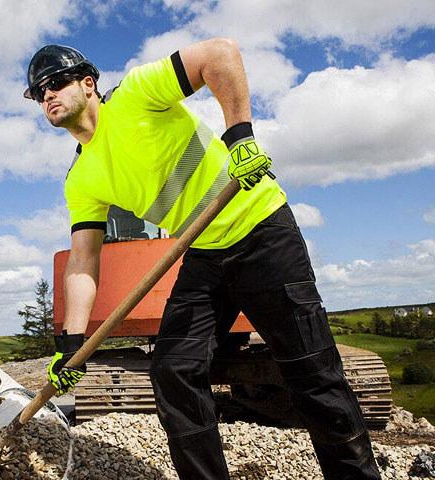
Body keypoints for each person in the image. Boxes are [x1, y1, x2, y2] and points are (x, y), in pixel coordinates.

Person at [24, 39, 382, 480]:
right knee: (173, 370)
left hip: (261, 229)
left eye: (57, 82)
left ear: (87, 83)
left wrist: (241, 138)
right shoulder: (81, 179)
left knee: (312, 373)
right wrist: (70, 344)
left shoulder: (136, 94)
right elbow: (83, 260)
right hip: (204, 253)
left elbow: (220, 54)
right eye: (39, 92)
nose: (48, 95)